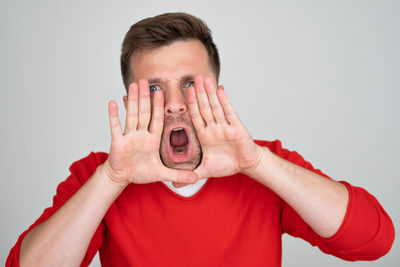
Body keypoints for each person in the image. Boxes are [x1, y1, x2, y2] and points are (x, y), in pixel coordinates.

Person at [7, 12, 395, 267]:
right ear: (131, 104)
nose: (175, 105)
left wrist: (257, 164)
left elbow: (373, 241)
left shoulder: (263, 163)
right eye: (155, 89)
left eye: (190, 84)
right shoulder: (100, 175)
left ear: (217, 91)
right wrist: (112, 179)